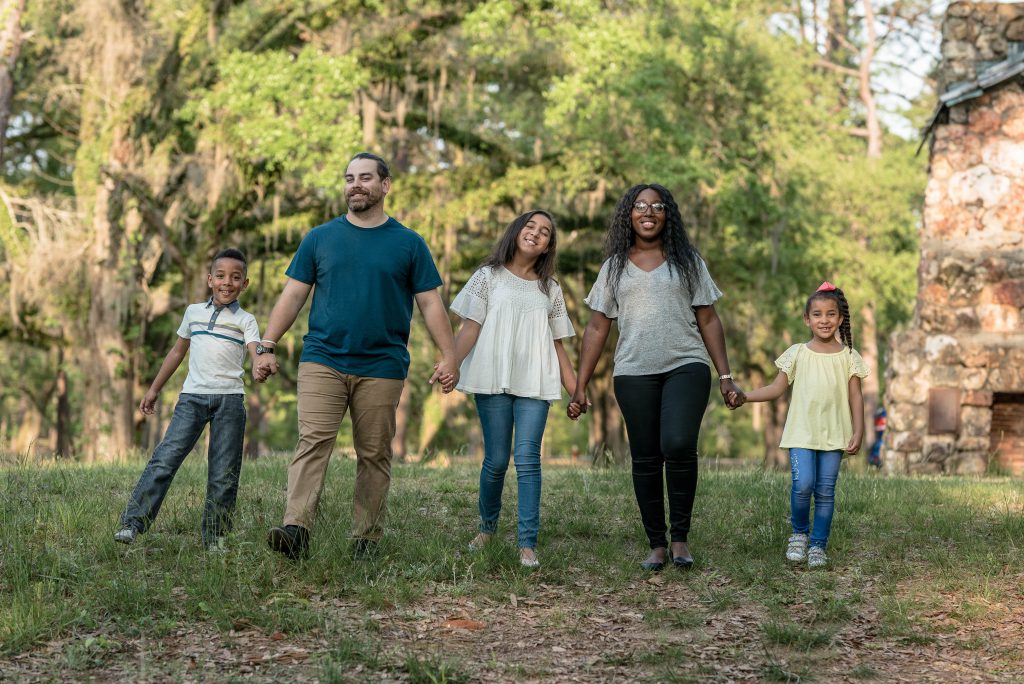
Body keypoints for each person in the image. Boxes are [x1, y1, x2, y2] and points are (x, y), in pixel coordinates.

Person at [256, 152, 458, 561]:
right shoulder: (319, 238)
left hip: (382, 364)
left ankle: (366, 538)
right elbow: (293, 294)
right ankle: (296, 528)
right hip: (322, 358)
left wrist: (449, 355)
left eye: (365, 178)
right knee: (313, 441)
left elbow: (430, 304)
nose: (356, 185)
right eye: (349, 178)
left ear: (385, 186)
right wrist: (267, 344)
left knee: (374, 452)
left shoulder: (409, 243)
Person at [570, 184, 744, 572]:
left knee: (679, 443)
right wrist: (580, 385)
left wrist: (725, 375)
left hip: (687, 364)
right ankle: (657, 544)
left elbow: (709, 318)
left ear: (668, 215)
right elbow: (597, 328)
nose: (648, 212)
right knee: (646, 456)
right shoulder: (613, 267)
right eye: (640, 206)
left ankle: (680, 539)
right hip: (633, 371)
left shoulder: (688, 262)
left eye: (657, 206)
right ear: (628, 215)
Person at [450, 210, 581, 569]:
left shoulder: (549, 289)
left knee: (528, 460)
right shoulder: (487, 277)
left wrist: (576, 389)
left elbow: (558, 346)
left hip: (534, 381)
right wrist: (450, 364)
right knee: (495, 461)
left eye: (544, 233)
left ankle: (527, 544)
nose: (536, 234)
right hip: (493, 378)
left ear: (548, 246)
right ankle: (486, 529)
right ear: (516, 230)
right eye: (530, 226)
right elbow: (469, 329)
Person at [114, 248, 261, 552]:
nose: (227, 282)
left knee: (223, 472)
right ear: (210, 279)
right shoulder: (193, 312)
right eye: (220, 276)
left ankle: (216, 539)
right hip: (192, 398)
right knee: (165, 458)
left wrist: (261, 361)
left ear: (244, 284)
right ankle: (133, 523)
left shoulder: (247, 320)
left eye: (235, 277)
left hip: (230, 402)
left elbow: (254, 348)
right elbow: (177, 352)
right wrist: (154, 389)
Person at [728, 282, 867, 568]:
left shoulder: (849, 357)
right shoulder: (797, 353)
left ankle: (818, 545)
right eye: (817, 314)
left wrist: (859, 430)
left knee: (826, 491)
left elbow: (856, 396)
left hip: (834, 434)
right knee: (803, 485)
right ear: (807, 319)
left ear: (840, 318)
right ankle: (799, 535)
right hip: (801, 432)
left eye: (831, 314)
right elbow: (776, 388)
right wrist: (745, 397)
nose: (824, 320)